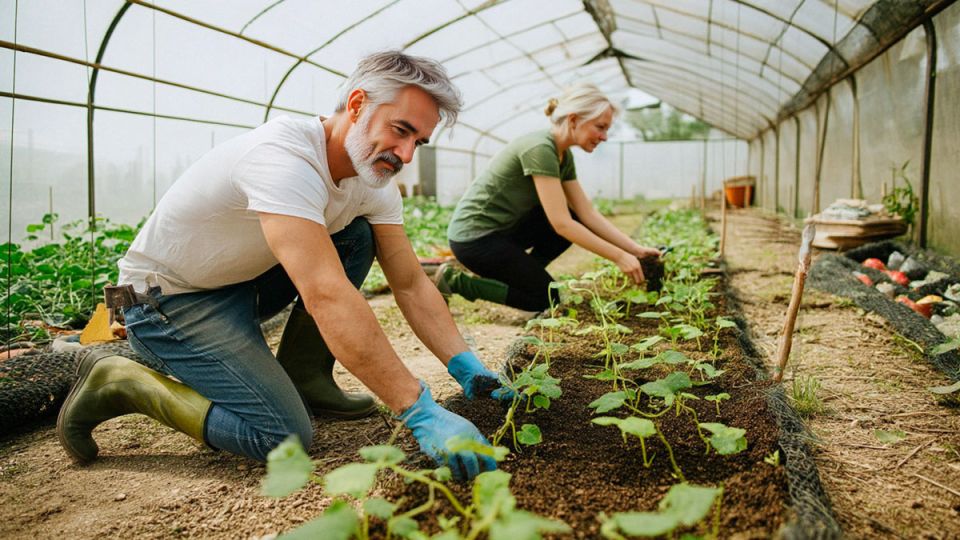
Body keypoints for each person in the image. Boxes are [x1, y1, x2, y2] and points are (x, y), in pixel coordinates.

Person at [56, 51, 507, 481]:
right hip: (167, 305)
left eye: (419, 142)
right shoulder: (283, 158)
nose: (406, 155)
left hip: (239, 283)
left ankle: (305, 376)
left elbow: (409, 283)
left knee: (356, 236)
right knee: (282, 436)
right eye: (400, 130)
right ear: (357, 104)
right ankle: (122, 381)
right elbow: (325, 293)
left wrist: (465, 364)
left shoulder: (374, 180)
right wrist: (417, 409)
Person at [437, 83, 661, 312]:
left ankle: (523, 277)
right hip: (475, 239)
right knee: (546, 297)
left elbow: (587, 213)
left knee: (575, 218)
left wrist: (636, 250)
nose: (604, 137)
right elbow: (561, 224)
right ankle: (457, 282)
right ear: (573, 120)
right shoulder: (540, 149)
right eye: (600, 127)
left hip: (502, 232)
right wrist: (619, 257)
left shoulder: (562, 155)